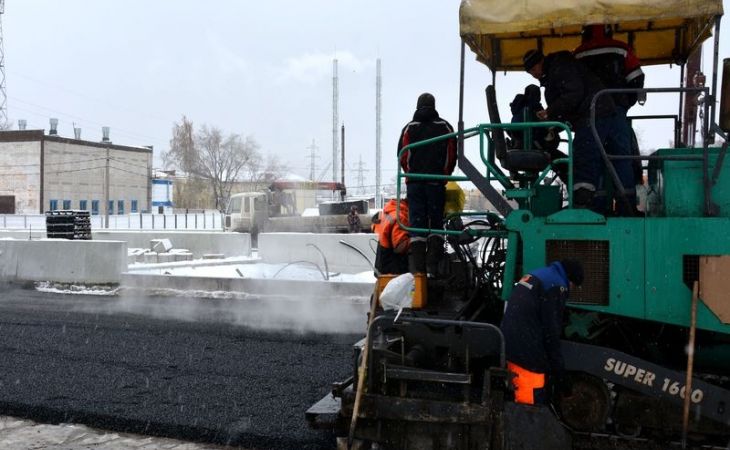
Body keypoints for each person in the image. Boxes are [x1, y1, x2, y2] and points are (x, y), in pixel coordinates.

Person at [523, 49, 635, 215]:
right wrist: (555, 121)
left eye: (533, 70)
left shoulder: (560, 67)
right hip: (600, 111)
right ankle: (623, 207)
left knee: (584, 153)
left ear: (539, 62)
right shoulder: (558, 69)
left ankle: (585, 206)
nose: (533, 75)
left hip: (595, 113)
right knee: (614, 160)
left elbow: (573, 93)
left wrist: (550, 112)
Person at [500, 260, 584, 405]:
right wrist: (561, 378)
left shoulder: (539, 274)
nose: (571, 290)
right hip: (528, 353)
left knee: (517, 393)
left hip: (511, 342)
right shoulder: (556, 286)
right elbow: (551, 333)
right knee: (530, 405)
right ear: (570, 279)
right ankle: (525, 423)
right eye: (573, 286)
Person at [575, 24, 645, 189]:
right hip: (616, 111)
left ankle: (595, 205)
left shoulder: (577, 54)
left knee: (591, 158)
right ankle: (626, 204)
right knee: (622, 157)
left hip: (590, 114)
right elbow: (637, 79)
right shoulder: (621, 48)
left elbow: (574, 86)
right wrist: (625, 103)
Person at [397, 93, 457, 275]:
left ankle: (419, 269)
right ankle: (433, 263)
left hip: (415, 183)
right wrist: (443, 176)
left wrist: (411, 175)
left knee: (417, 223)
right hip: (435, 182)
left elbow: (402, 155)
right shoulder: (444, 127)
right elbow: (451, 154)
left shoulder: (409, 128)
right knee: (436, 221)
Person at [509, 84, 568, 183]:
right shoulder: (534, 108)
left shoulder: (518, 109)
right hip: (535, 147)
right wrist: (550, 132)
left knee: (562, 162)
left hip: (521, 146)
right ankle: (575, 191)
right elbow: (541, 131)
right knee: (565, 163)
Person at [371, 198, 410, 275]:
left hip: (381, 263)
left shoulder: (388, 211)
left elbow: (374, 227)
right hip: (393, 268)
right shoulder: (401, 217)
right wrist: (416, 240)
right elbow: (399, 247)